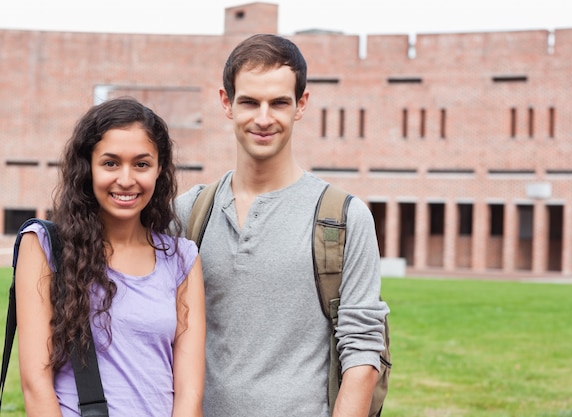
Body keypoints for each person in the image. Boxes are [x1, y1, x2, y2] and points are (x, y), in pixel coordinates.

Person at [175, 34, 389, 417]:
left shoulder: (344, 217)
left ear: (300, 105)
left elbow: (362, 351)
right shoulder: (189, 212)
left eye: (278, 103)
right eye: (249, 102)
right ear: (226, 103)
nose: (263, 118)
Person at [15, 97, 205, 416]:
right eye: (111, 163)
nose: (126, 179)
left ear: (159, 170)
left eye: (141, 164)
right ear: (88, 166)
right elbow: (36, 384)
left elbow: (189, 394)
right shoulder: (46, 246)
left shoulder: (182, 258)